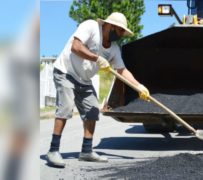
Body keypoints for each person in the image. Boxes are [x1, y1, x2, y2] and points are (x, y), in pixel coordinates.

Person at [46, 12, 149, 167]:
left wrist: (138, 86)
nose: (122, 35)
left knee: (93, 110)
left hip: (84, 79)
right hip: (66, 71)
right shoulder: (91, 27)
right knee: (66, 107)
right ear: (111, 26)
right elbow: (76, 47)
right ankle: (53, 150)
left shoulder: (114, 49)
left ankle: (86, 151)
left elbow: (122, 70)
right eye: (121, 31)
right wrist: (97, 58)